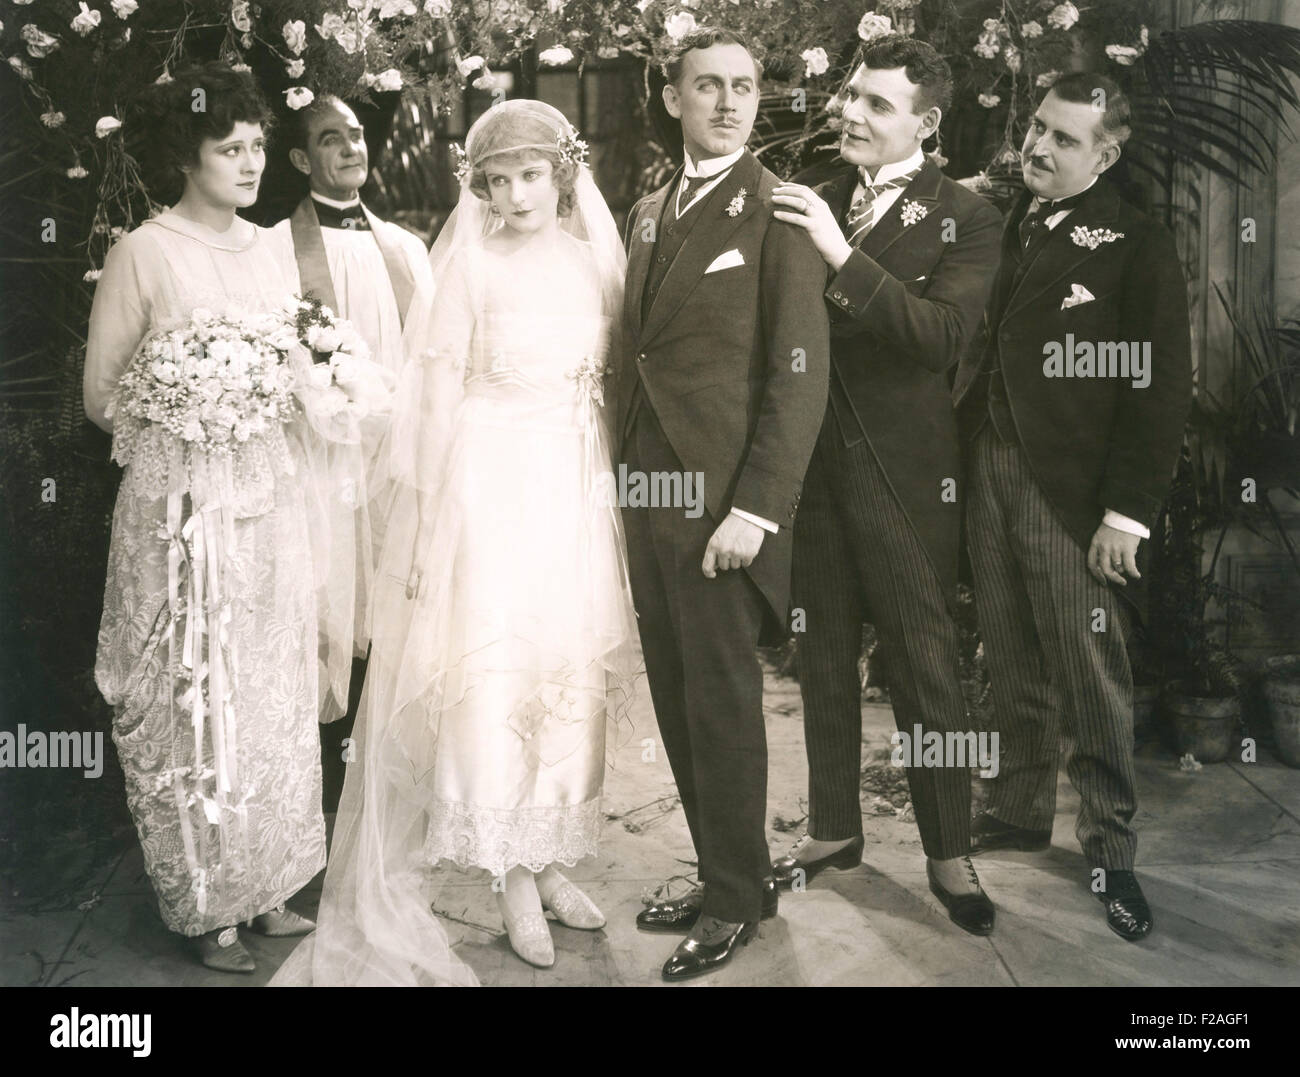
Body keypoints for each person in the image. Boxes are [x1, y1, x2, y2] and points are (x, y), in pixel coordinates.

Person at [271, 99, 635, 985]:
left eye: (531, 176)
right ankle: (509, 870)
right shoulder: (470, 269)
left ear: (564, 174)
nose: (515, 196)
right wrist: (429, 526)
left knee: (569, 660)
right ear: (479, 189)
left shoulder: (597, 266)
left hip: (573, 487)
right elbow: (433, 405)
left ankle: (549, 853)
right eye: (498, 180)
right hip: (491, 485)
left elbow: (619, 388)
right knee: (497, 666)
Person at [83, 62, 329, 974]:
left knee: (263, 693)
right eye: (232, 148)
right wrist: (199, 414)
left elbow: (299, 369)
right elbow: (104, 395)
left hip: (267, 505)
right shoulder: (143, 251)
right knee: (194, 696)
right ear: (187, 156)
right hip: (179, 513)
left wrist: (261, 400)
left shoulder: (270, 246)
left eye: (260, 146)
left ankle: (265, 887)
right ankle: (204, 904)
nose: (252, 162)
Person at [767, 35, 1002, 935]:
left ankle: (948, 851)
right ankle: (833, 830)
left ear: (926, 122)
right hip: (811, 473)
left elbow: (942, 338)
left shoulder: (967, 218)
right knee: (819, 656)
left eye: (876, 104)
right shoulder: (814, 195)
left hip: (906, 480)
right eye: (850, 97)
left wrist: (839, 254)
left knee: (924, 667)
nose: (850, 114)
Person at [952, 73, 1192, 941]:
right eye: (1038, 129)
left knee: (1090, 674)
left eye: (1064, 139)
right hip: (989, 469)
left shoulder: (1136, 241)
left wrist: (1127, 512)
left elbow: (1158, 389)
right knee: (1009, 654)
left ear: (1108, 153)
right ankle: (1017, 810)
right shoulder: (1004, 219)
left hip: (1073, 491)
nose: (1040, 149)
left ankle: (1112, 851)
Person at [618, 27, 830, 981]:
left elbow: (800, 377)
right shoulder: (651, 208)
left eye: (745, 86)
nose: (731, 102)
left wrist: (757, 510)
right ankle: (721, 870)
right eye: (709, 85)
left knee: (724, 704)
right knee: (677, 695)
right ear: (673, 98)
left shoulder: (779, 213)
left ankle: (740, 897)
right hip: (646, 498)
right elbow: (641, 357)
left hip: (721, 510)